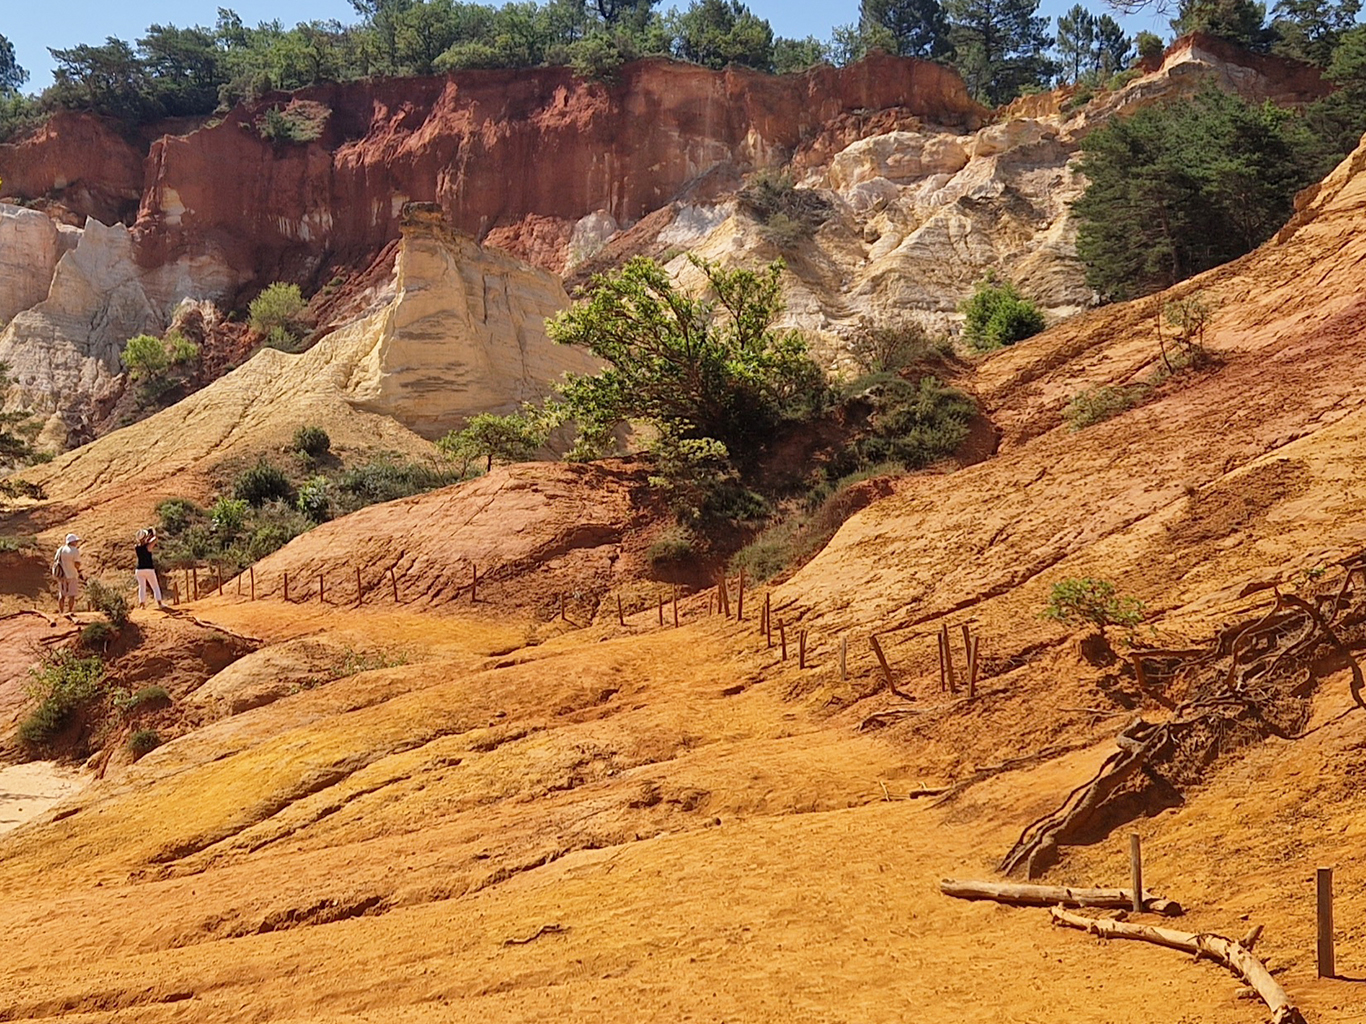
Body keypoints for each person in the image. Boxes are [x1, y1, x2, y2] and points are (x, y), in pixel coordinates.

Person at [134, 528, 165, 609]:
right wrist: (153, 531)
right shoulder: (148, 547)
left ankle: (142, 604)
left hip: (139, 570)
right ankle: (159, 603)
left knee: (142, 587)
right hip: (149, 569)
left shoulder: (136, 547)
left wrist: (146, 537)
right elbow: (155, 538)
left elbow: (142, 542)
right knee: (155, 586)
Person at [52, 533, 83, 614]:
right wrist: (77, 569)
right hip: (72, 575)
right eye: (76, 541)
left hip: (61, 575)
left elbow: (55, 561)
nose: (76, 543)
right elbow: (77, 564)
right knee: (71, 595)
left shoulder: (60, 550)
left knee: (62, 595)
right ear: (72, 542)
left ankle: (61, 612)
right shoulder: (75, 550)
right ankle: (70, 611)